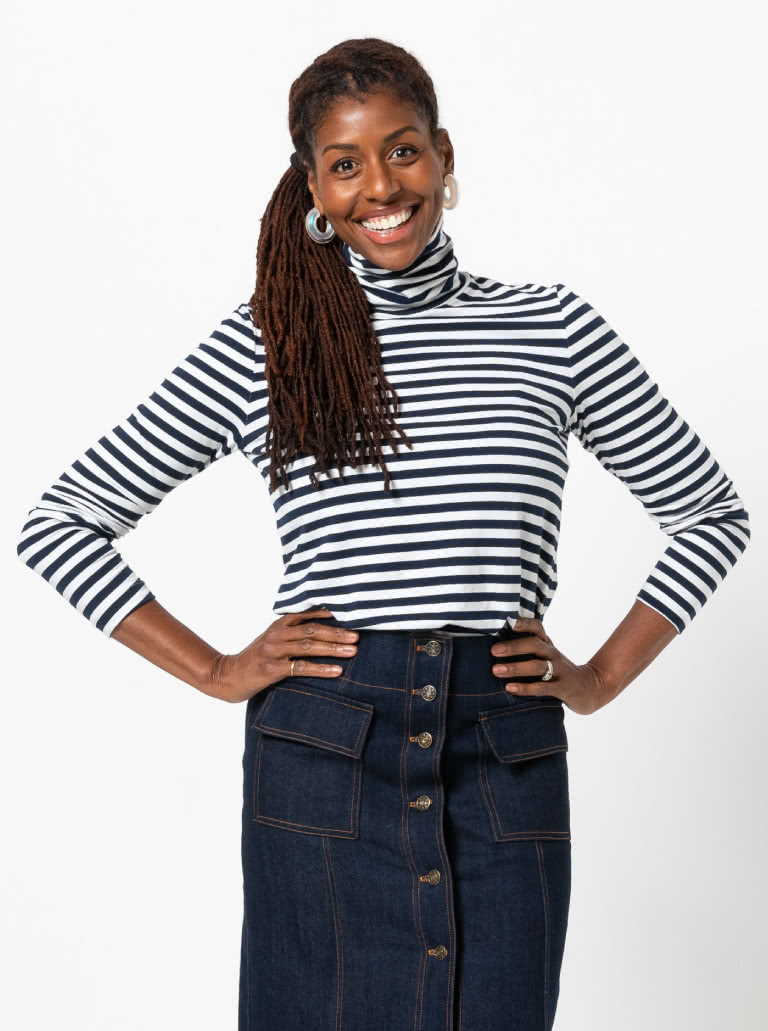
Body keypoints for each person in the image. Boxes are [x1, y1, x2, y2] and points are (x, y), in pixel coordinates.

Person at [16, 36, 751, 1031]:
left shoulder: (553, 330)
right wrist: (217, 668)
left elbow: (710, 513)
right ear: (314, 187)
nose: (381, 186)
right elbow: (62, 522)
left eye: (402, 150)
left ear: (443, 154)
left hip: (504, 745)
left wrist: (602, 677)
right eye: (346, 163)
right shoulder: (269, 343)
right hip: (326, 745)